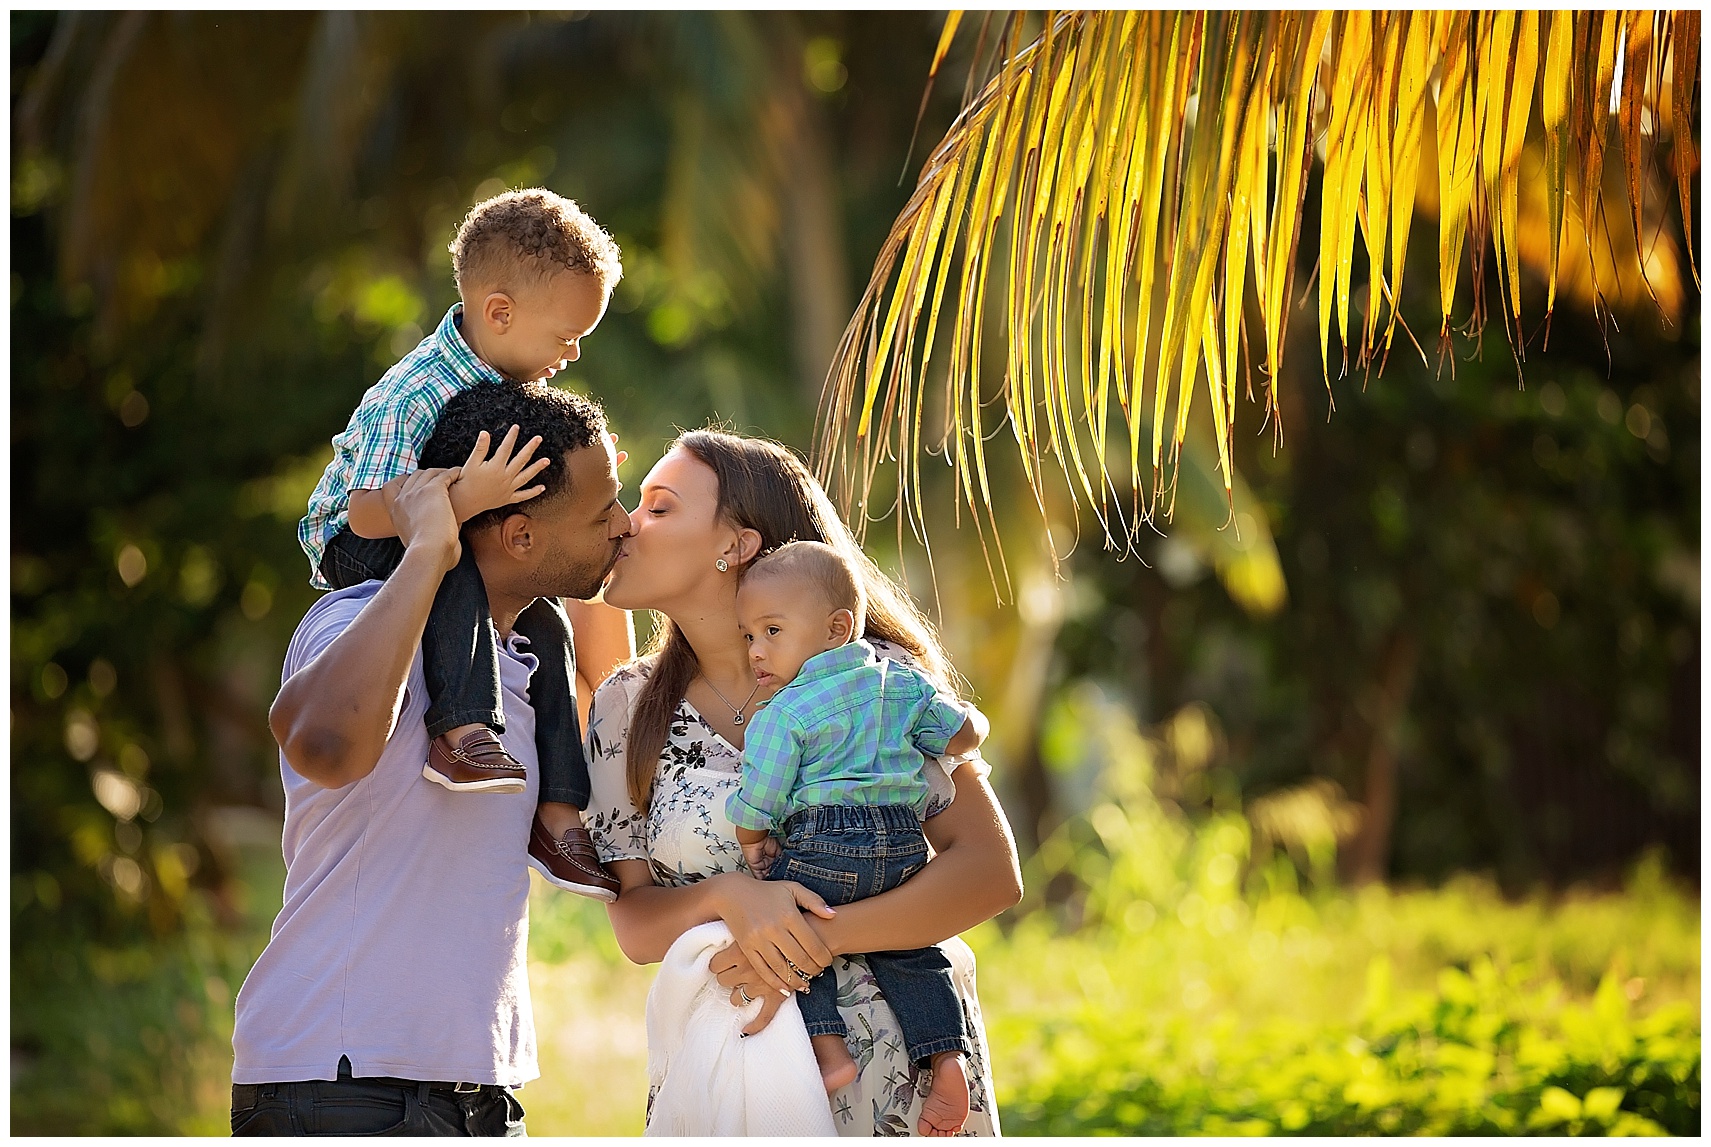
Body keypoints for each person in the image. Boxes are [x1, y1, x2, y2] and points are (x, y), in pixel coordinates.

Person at [583, 429, 1023, 1137]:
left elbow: (989, 871)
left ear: (736, 543)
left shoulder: (871, 675)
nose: (629, 523)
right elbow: (634, 924)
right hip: (725, 1072)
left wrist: (814, 937)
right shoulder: (625, 707)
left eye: (659, 507)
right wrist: (732, 896)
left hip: (905, 1076)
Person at [231, 382, 632, 1135]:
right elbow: (323, 744)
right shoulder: (357, 617)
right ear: (518, 536)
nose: (626, 523)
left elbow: (622, 710)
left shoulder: (527, 660)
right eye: (603, 510)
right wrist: (426, 548)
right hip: (346, 1082)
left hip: (481, 1090)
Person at [297, 188, 626, 899]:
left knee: (547, 620)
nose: (572, 353)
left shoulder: (510, 374)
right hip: (361, 542)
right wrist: (462, 502)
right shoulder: (414, 391)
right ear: (499, 312)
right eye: (566, 336)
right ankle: (461, 731)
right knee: (452, 570)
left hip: (442, 534)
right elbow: (362, 512)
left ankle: (560, 809)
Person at [729, 540, 991, 1133]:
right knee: (914, 952)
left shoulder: (785, 711)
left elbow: (762, 792)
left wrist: (752, 838)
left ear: (837, 627)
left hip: (824, 844)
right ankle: (946, 1057)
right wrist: (972, 727)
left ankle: (828, 1051)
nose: (757, 652)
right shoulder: (899, 683)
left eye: (772, 631)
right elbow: (959, 734)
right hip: (901, 848)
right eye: (748, 636)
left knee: (798, 933)